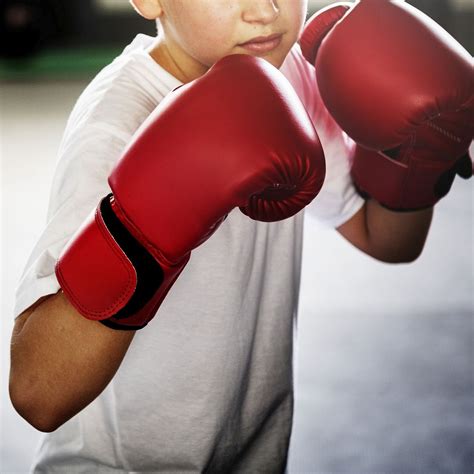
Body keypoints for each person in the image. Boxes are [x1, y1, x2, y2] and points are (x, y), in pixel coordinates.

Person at [8, 0, 471, 472]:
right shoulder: (116, 125)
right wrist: (147, 224)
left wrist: (420, 158)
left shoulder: (288, 76)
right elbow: (39, 394)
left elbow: (388, 240)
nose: (266, 10)